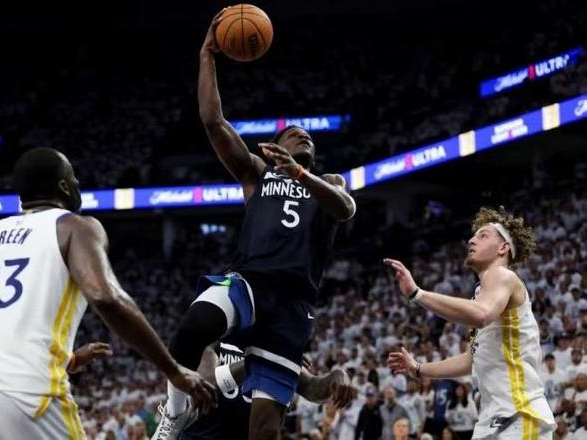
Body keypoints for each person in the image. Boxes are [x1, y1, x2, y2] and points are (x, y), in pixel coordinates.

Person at [155, 10, 356, 440]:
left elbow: (345, 210)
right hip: (249, 282)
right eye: (293, 133)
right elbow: (214, 122)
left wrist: (300, 174)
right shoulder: (256, 175)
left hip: (292, 306)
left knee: (264, 431)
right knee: (193, 328)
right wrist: (207, 56)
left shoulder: (329, 183)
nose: (303, 135)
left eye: (308, 136)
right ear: (274, 148)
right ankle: (175, 414)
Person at [0, 147, 216, 439]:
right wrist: (173, 370)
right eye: (74, 177)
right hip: (25, 394)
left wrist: (70, 360)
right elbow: (105, 297)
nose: (78, 184)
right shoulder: (74, 226)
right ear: (64, 186)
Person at [386, 206, 556, 439]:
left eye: (483, 235)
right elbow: (471, 359)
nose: (471, 240)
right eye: (474, 236)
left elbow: (482, 314)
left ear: (503, 248)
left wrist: (418, 294)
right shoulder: (481, 295)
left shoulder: (502, 275)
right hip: (495, 419)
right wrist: (418, 369)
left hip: (519, 413)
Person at [182, 344, 356, 440]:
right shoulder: (215, 340)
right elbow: (207, 382)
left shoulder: (275, 349)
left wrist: (337, 375)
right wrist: (260, 361)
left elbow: (313, 389)